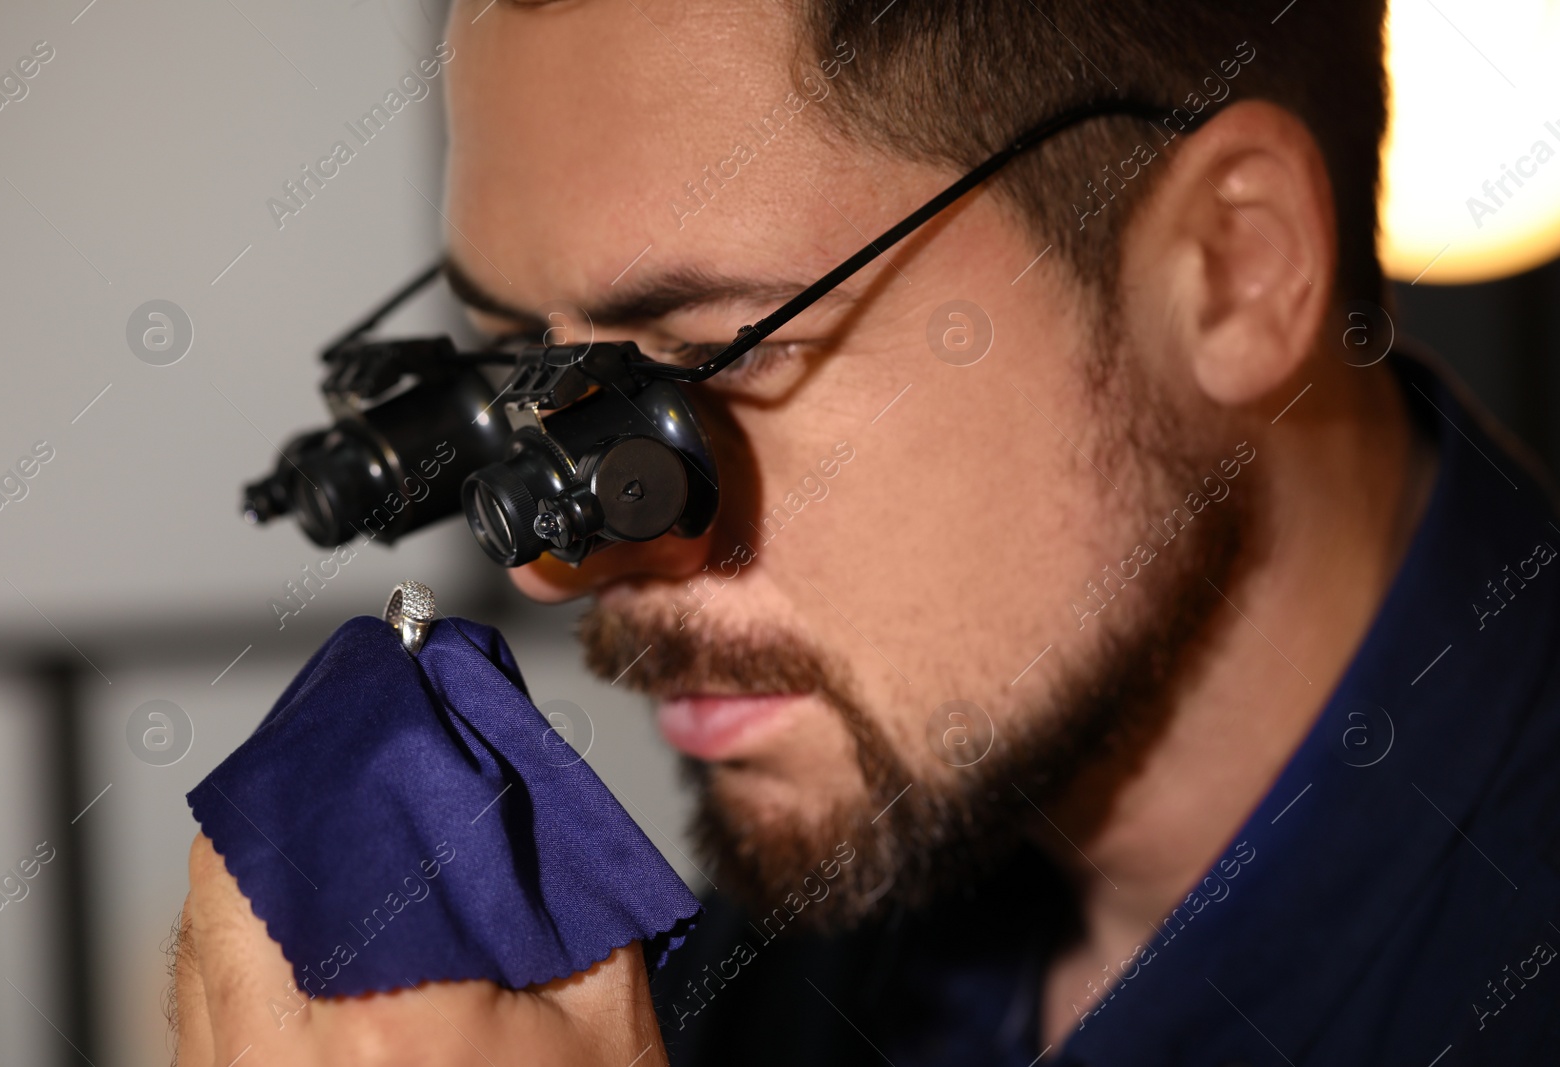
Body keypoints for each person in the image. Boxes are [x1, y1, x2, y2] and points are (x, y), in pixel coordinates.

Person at [173, 1, 1560, 1063]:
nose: (559, 559)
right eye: (518, 376)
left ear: (1232, 273)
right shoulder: (810, 930)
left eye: (706, 358)